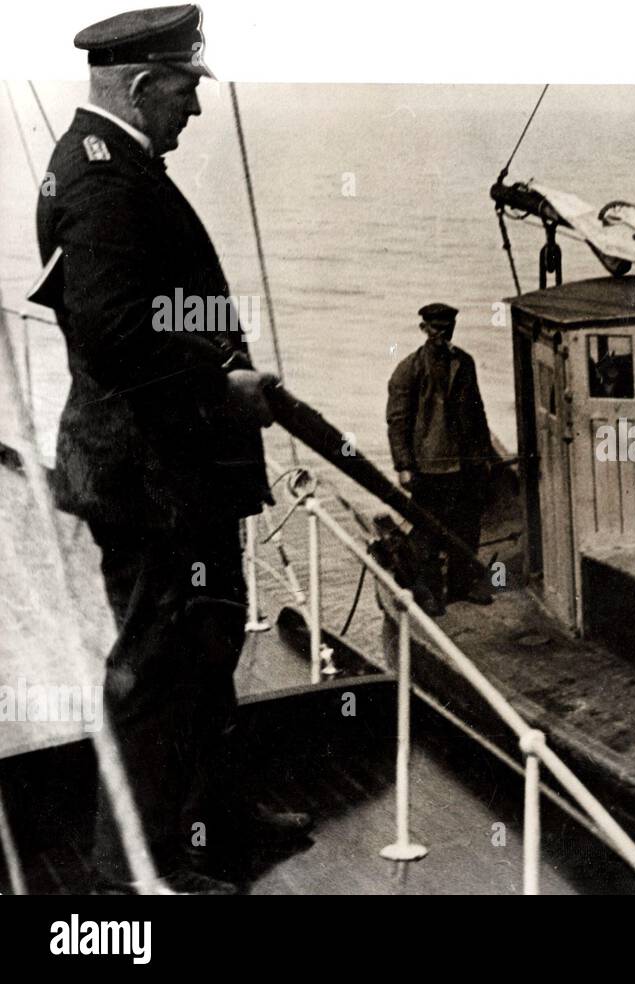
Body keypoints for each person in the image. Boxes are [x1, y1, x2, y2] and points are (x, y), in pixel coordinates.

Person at [34, 4, 309, 894]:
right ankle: (134, 876)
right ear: (145, 85)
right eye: (187, 90)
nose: (194, 108)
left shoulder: (115, 165)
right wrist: (221, 388)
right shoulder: (104, 180)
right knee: (157, 670)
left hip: (179, 469)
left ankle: (215, 818)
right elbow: (115, 336)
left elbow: (150, 314)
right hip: (152, 478)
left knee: (206, 644)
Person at [386, 303, 494, 606]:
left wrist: (484, 455)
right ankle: (429, 592)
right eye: (435, 328)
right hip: (429, 465)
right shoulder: (408, 370)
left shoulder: (465, 363)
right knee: (427, 531)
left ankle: (462, 585)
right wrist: (404, 466)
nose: (442, 334)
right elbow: (397, 422)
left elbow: (478, 411)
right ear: (424, 329)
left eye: (447, 328)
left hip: (464, 462)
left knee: (467, 526)